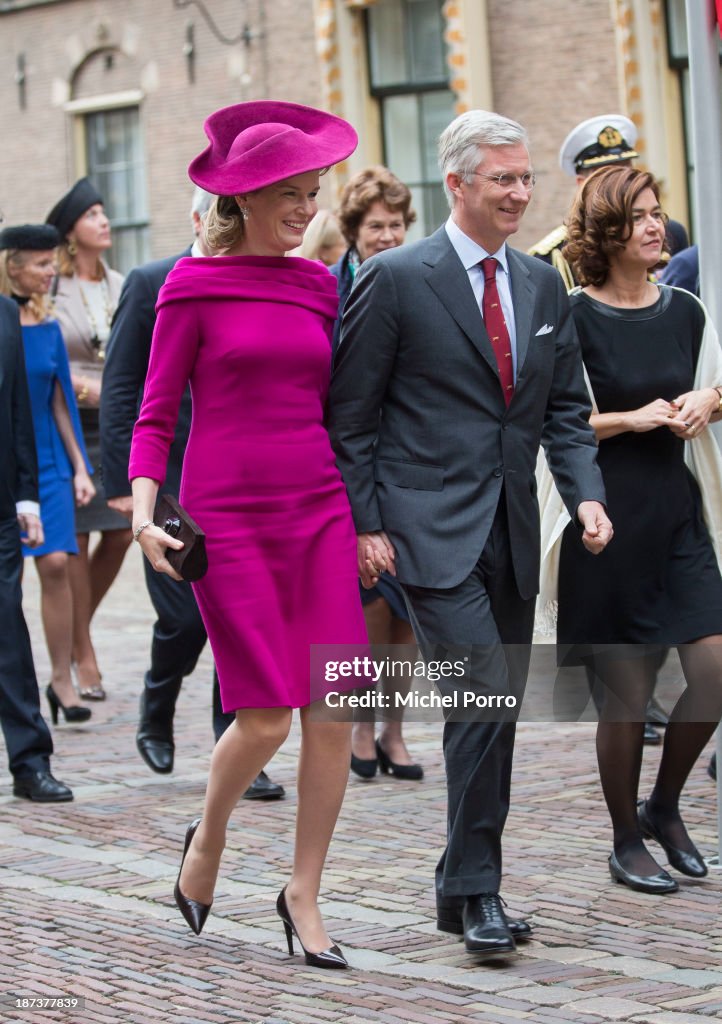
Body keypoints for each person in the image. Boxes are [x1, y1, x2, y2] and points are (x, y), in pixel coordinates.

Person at [327, 109, 612, 957]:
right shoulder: (397, 277)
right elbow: (351, 417)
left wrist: (586, 495)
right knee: (483, 695)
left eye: (527, 178)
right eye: (504, 180)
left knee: (492, 711)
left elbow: (565, 411)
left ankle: (461, 883)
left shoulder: (541, 284)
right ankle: (477, 891)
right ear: (456, 184)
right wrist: (367, 524)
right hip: (424, 530)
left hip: (513, 532)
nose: (522, 193)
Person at [128, 100, 366, 967]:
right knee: (264, 714)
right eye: (294, 195)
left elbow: (341, 410)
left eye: (315, 193)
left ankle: (302, 892)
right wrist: (147, 510)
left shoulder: (318, 284)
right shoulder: (189, 287)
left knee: (334, 707)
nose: (309, 208)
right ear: (248, 200)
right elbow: (154, 417)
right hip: (228, 519)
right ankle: (209, 838)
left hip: (318, 512)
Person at [554, 164, 722, 893]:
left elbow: (717, 383)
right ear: (606, 234)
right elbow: (554, 423)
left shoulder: (685, 308)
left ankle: (664, 803)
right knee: (625, 693)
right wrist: (633, 417)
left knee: (715, 672)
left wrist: (707, 401)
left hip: (677, 509)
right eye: (639, 216)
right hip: (604, 516)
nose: (658, 226)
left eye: (658, 212)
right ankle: (626, 837)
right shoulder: (572, 316)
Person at [101, 187, 284, 799]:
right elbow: (126, 388)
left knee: (240, 617)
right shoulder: (156, 280)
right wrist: (126, 490)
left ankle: (237, 741)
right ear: (197, 218)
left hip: (240, 486)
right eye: (217, 216)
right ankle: (157, 706)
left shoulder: (262, 283)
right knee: (183, 619)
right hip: (168, 485)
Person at [529, 113, 672, 744]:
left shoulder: (671, 242)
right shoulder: (550, 261)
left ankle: (637, 693)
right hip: (589, 435)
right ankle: (613, 691)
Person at [330, 166, 422, 780]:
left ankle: (393, 728)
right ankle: (359, 724)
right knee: (364, 605)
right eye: (375, 227)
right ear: (354, 233)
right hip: (347, 464)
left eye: (396, 225)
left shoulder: (420, 282)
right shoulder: (329, 289)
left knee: (407, 608)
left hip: (410, 463)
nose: (387, 236)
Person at [0, 224, 95, 726]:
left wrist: (81, 466)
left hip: (50, 461)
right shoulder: (2, 322)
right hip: (6, 463)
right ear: (11, 265)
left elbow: (62, 403)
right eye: (40, 264)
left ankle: (61, 677)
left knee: (56, 563)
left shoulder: (48, 327)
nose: (49, 272)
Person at [45, 178, 129, 701]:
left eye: (104, 212)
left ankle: (78, 633)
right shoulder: (51, 285)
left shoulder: (120, 283)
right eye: (92, 214)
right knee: (74, 543)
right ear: (72, 230)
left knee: (121, 532)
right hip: (66, 422)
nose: (104, 221)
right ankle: (83, 651)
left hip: (116, 421)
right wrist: (81, 388)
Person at [0, 290, 73, 802]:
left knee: (6, 623)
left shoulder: (7, 312)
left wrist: (27, 495)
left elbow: (17, 410)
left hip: (3, 500)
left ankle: (30, 761)